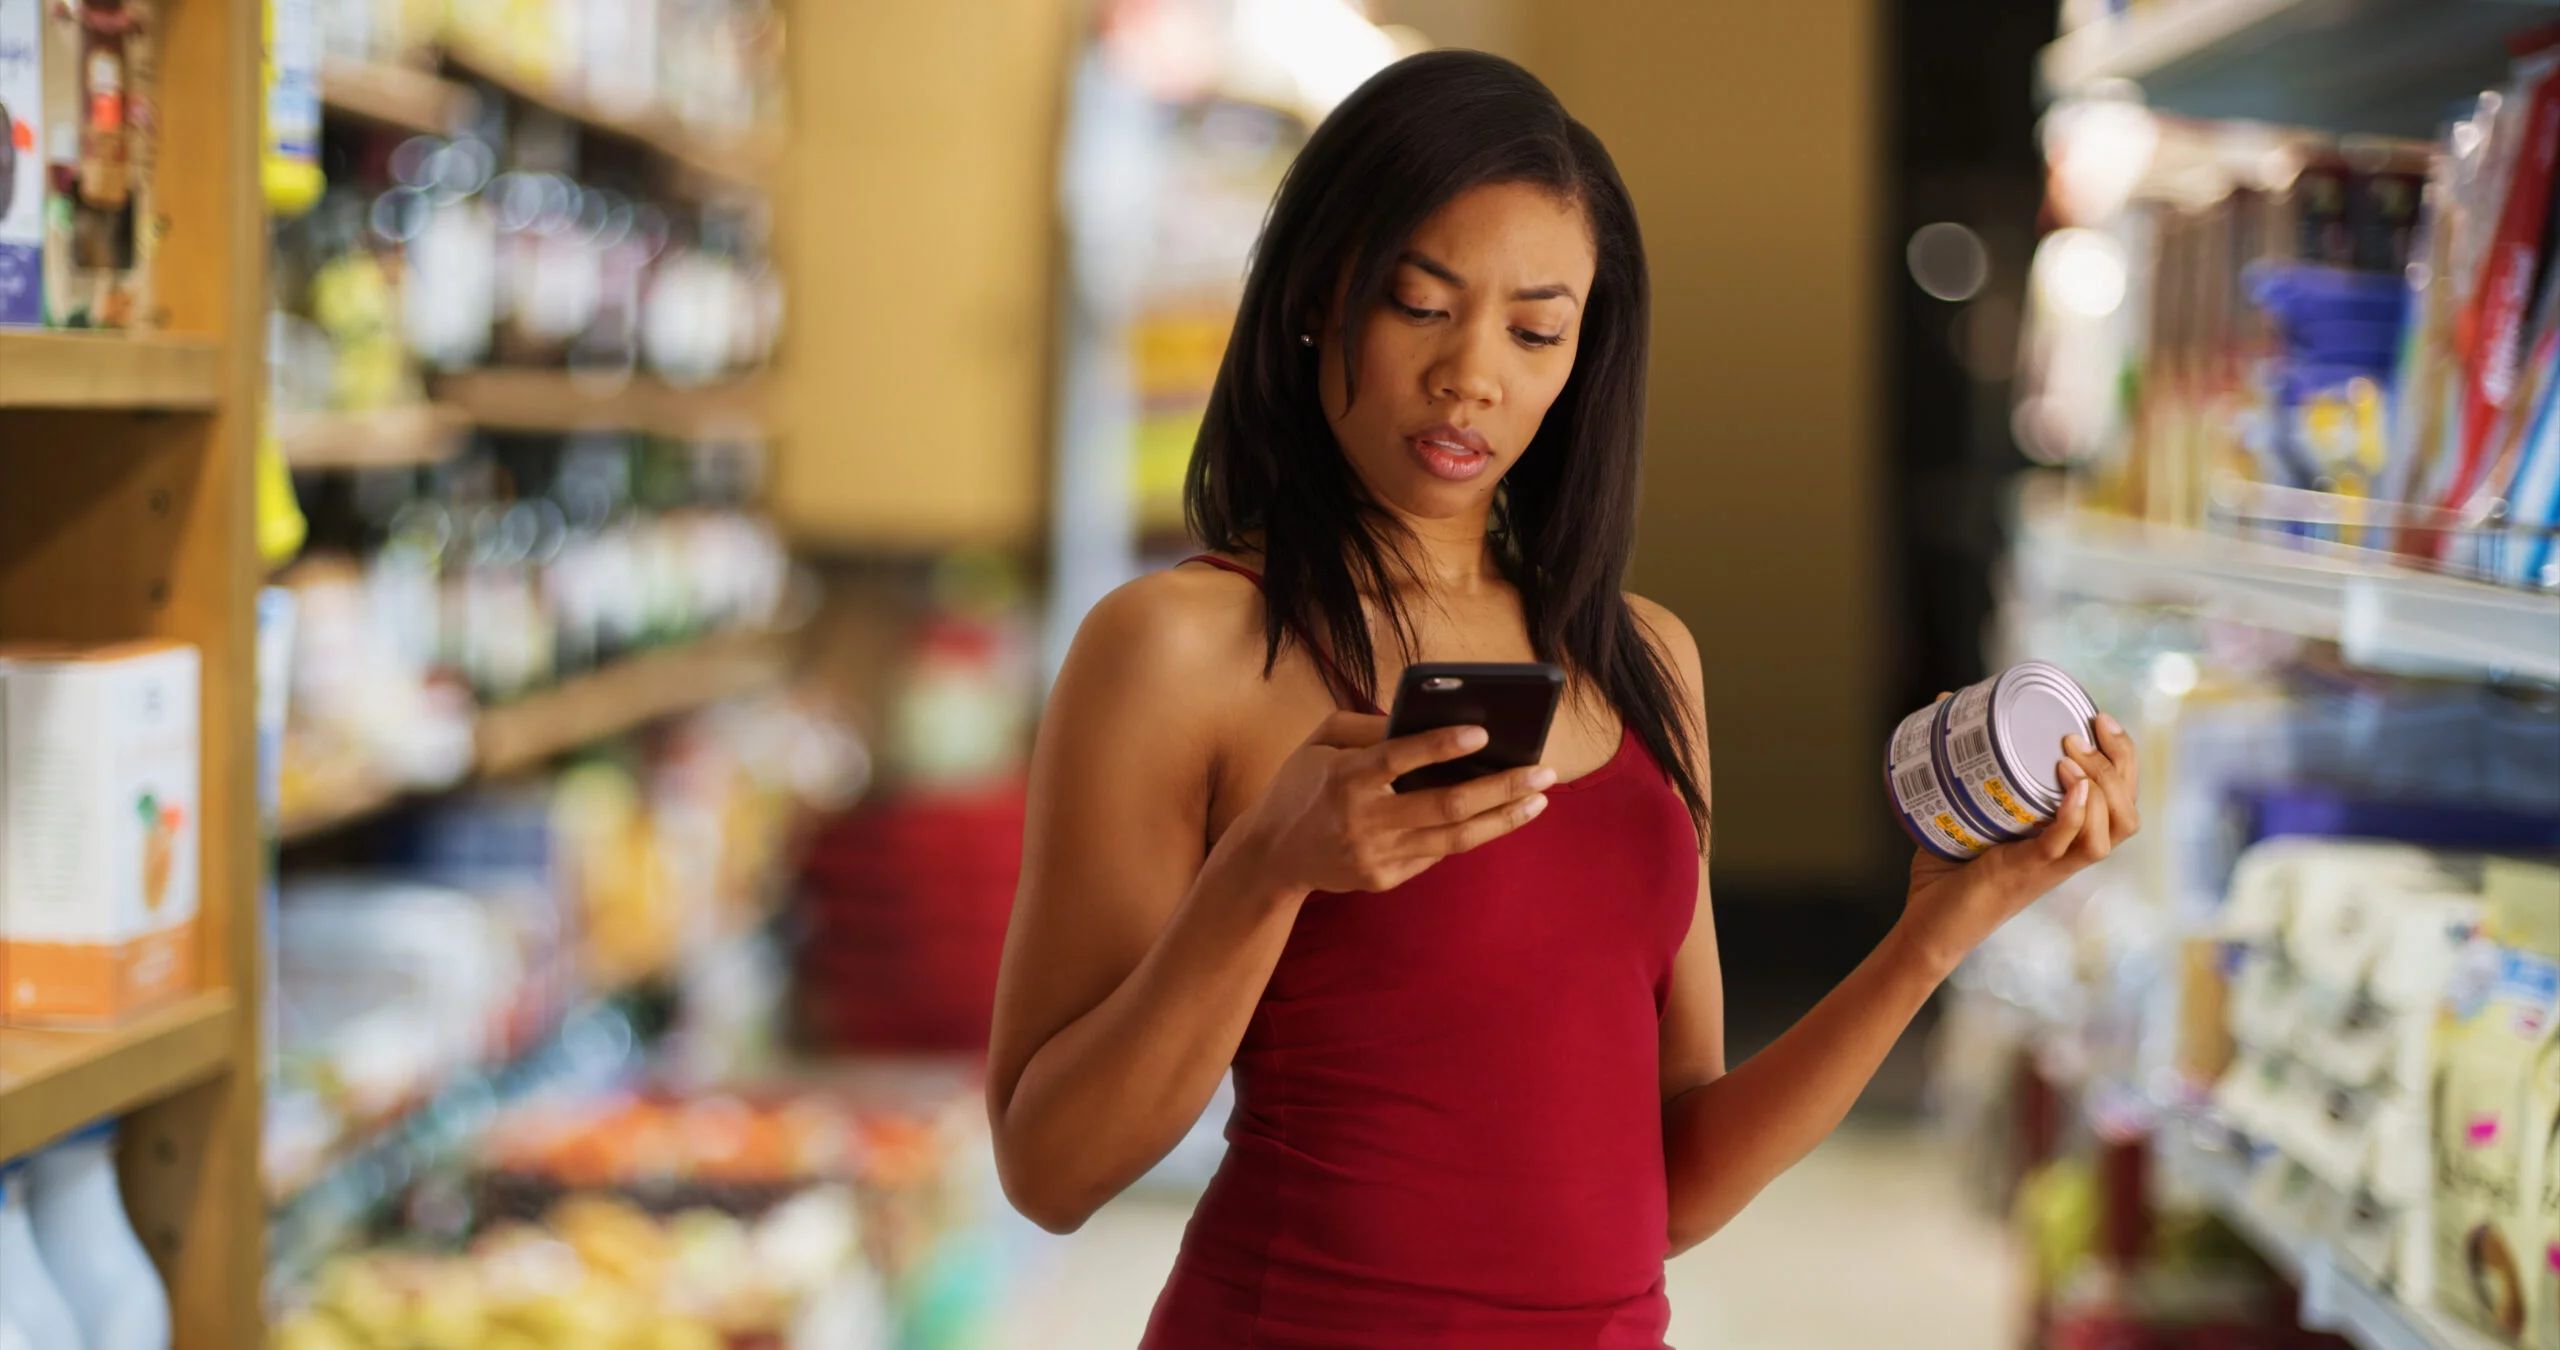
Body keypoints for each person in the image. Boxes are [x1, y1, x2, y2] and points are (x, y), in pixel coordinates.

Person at [986, 49, 2139, 1347]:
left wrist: (1939, 929)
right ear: (1319, 294)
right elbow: (1051, 1168)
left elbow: (1675, 1182)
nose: (1473, 373)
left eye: (1536, 329)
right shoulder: (1180, 645)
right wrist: (1266, 866)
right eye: (1422, 306)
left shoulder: (1646, 662)